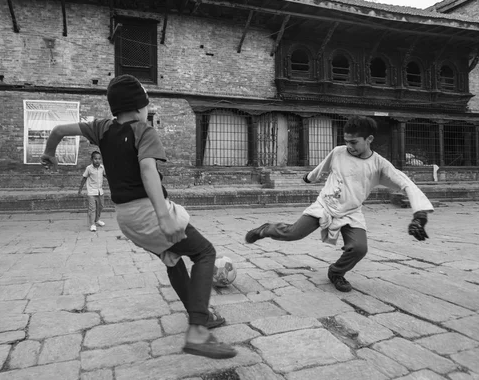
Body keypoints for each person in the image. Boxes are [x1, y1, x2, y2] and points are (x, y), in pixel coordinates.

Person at [40, 74, 236, 360]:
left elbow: (58, 130)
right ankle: (198, 330)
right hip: (148, 211)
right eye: (146, 104)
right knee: (205, 252)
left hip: (126, 218)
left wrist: (49, 153)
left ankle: (200, 316)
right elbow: (147, 170)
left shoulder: (101, 128)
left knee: (172, 258)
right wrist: (164, 216)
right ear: (139, 107)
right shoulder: (144, 131)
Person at [245, 116, 433, 292]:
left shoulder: (379, 164)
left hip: (351, 212)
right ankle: (266, 229)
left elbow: (405, 182)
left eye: (354, 142)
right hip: (325, 206)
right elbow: (322, 167)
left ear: (369, 139)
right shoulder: (338, 152)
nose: (349, 146)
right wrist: (309, 178)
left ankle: (336, 272)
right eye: (346, 141)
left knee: (359, 248)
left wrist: (420, 215)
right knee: (293, 233)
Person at [79, 150, 107, 232]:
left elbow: (105, 175)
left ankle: (97, 220)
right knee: (92, 209)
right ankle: (92, 224)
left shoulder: (102, 168)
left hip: (100, 192)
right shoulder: (89, 168)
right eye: (95, 159)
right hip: (91, 192)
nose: (97, 160)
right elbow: (84, 178)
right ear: (92, 159)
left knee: (101, 206)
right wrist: (80, 189)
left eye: (99, 159)